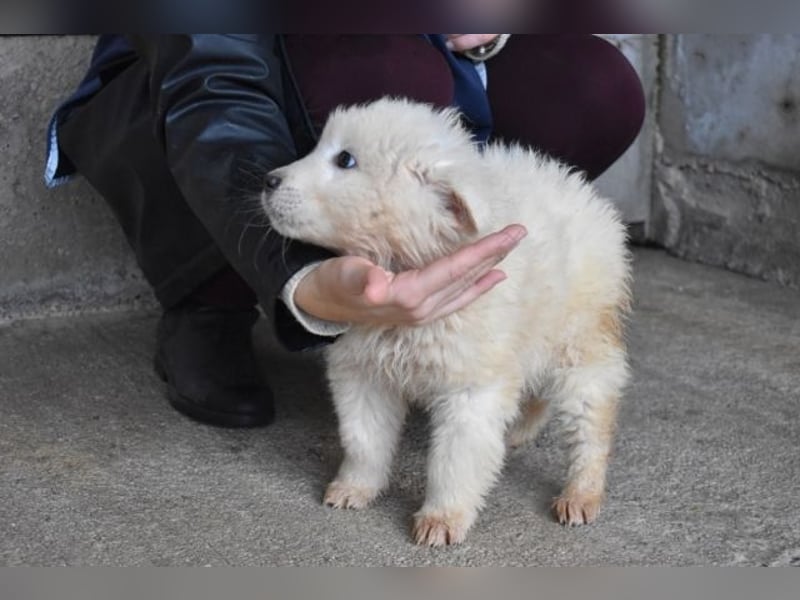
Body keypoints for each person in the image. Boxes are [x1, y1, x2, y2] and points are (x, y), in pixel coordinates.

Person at [45, 34, 645, 428]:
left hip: (420, 54)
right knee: (380, 64)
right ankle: (213, 299)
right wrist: (300, 278)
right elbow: (213, 77)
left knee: (594, 90)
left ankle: (452, 297)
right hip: (199, 64)